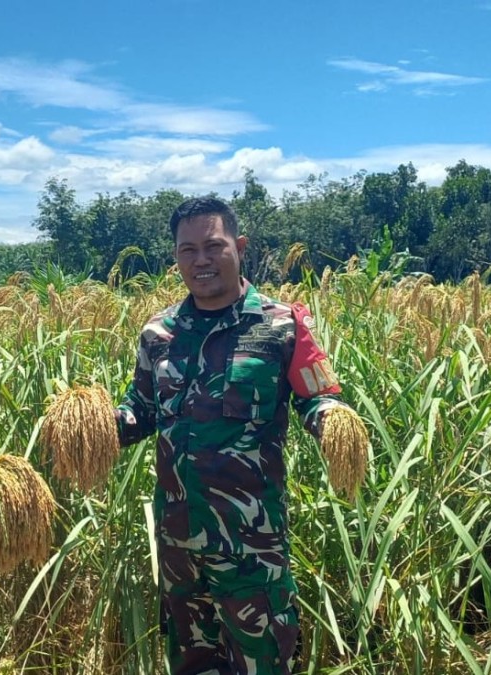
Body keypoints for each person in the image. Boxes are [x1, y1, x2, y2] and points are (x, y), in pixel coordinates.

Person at [115, 197, 354, 675]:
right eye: (188, 250)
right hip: (179, 550)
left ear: (240, 247)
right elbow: (138, 410)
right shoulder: (158, 333)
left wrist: (333, 420)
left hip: (252, 550)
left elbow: (318, 396)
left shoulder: (282, 325)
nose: (200, 261)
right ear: (176, 257)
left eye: (213, 246)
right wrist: (95, 423)